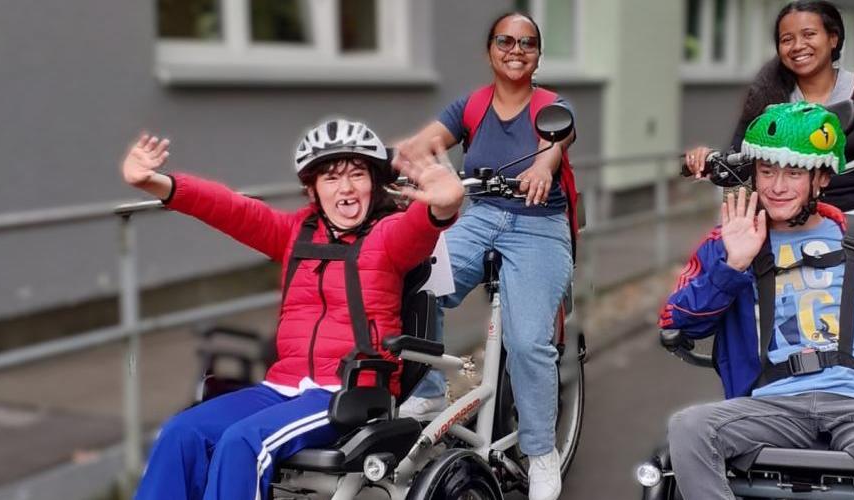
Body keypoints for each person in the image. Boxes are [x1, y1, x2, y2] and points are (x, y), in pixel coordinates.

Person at [124, 119, 463, 500]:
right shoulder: (295, 233)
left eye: (357, 174)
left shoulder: (387, 235)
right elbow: (230, 208)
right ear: (312, 189)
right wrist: (156, 182)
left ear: (374, 183)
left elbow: (421, 227)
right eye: (331, 178)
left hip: (348, 391)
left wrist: (445, 203)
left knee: (244, 443)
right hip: (282, 386)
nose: (346, 188)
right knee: (181, 432)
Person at [661, 102, 854, 499]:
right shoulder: (730, 240)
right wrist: (733, 265)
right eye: (767, 171)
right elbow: (680, 320)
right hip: (771, 403)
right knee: (688, 428)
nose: (777, 186)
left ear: (821, 178)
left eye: (793, 173)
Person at [391, 11, 577, 500]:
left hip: (538, 226)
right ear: (490, 50)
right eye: (506, 41)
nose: (516, 50)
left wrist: (543, 168)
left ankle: (542, 453)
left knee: (528, 341)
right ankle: (428, 393)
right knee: (417, 279)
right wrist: (397, 160)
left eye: (527, 43)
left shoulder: (551, 105)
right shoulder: (471, 105)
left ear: (538, 55)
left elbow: (555, 143)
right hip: (479, 218)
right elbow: (425, 144)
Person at [684, 0, 854, 222]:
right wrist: (706, 159)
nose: (798, 45)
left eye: (809, 34)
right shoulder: (768, 97)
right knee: (732, 261)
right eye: (787, 39)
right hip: (783, 218)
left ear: (833, 38)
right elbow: (737, 157)